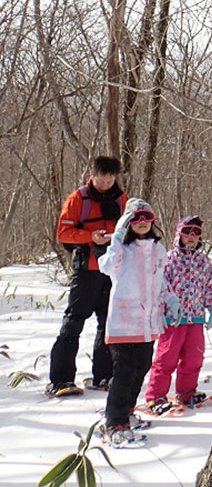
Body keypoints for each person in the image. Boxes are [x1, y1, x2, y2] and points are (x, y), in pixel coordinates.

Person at [98, 198, 177, 445]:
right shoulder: (122, 249)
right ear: (128, 222)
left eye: (147, 218)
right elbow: (108, 267)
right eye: (136, 218)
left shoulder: (158, 250)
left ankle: (128, 412)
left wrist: (169, 299)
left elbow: (160, 280)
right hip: (124, 322)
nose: (142, 223)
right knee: (124, 372)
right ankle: (114, 422)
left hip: (148, 323)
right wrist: (116, 239)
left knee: (141, 368)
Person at [47, 156, 127, 397]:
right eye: (102, 176)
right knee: (74, 321)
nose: (106, 181)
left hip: (112, 271)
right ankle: (60, 380)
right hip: (85, 269)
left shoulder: (121, 200)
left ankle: (103, 375)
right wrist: (90, 237)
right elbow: (63, 232)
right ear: (92, 174)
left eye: (111, 177)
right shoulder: (78, 199)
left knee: (108, 322)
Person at [144, 216, 212, 415]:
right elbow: (160, 287)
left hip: (195, 317)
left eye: (196, 233)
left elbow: (209, 286)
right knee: (166, 358)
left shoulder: (203, 261)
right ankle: (156, 396)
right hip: (173, 318)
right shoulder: (168, 259)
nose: (191, 237)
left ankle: (186, 391)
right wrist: (160, 311)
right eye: (187, 232)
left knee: (194, 357)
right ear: (179, 234)